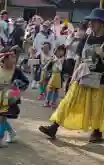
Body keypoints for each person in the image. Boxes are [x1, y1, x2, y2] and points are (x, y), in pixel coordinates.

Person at [38, 8, 104, 143]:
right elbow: (79, 58)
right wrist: (73, 77)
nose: (90, 24)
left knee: (97, 106)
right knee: (69, 100)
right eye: (90, 21)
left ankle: (97, 131)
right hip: (83, 76)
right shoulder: (86, 38)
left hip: (100, 79)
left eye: (94, 21)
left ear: (102, 23)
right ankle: (54, 127)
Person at [0, 47, 29, 149]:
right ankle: (11, 133)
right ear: (4, 59)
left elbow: (25, 82)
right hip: (0, 96)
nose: (14, 59)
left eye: (14, 57)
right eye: (12, 57)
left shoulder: (17, 71)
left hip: (11, 97)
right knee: (1, 117)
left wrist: (16, 86)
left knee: (1, 117)